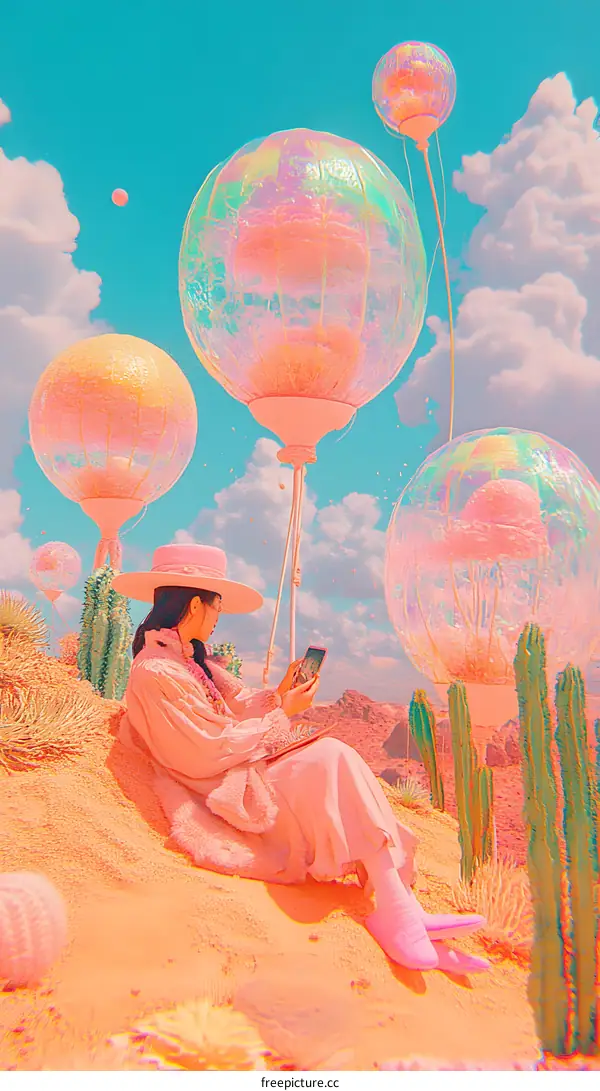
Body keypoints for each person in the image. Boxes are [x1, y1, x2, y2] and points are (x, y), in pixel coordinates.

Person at [113, 543, 489, 974]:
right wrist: (282, 715)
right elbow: (201, 751)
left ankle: (398, 902)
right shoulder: (156, 671)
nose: (218, 619)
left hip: (236, 763)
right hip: (215, 782)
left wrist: (280, 694)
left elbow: (236, 706)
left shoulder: (192, 662)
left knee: (335, 757)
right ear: (196, 603)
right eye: (217, 608)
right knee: (330, 757)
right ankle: (395, 907)